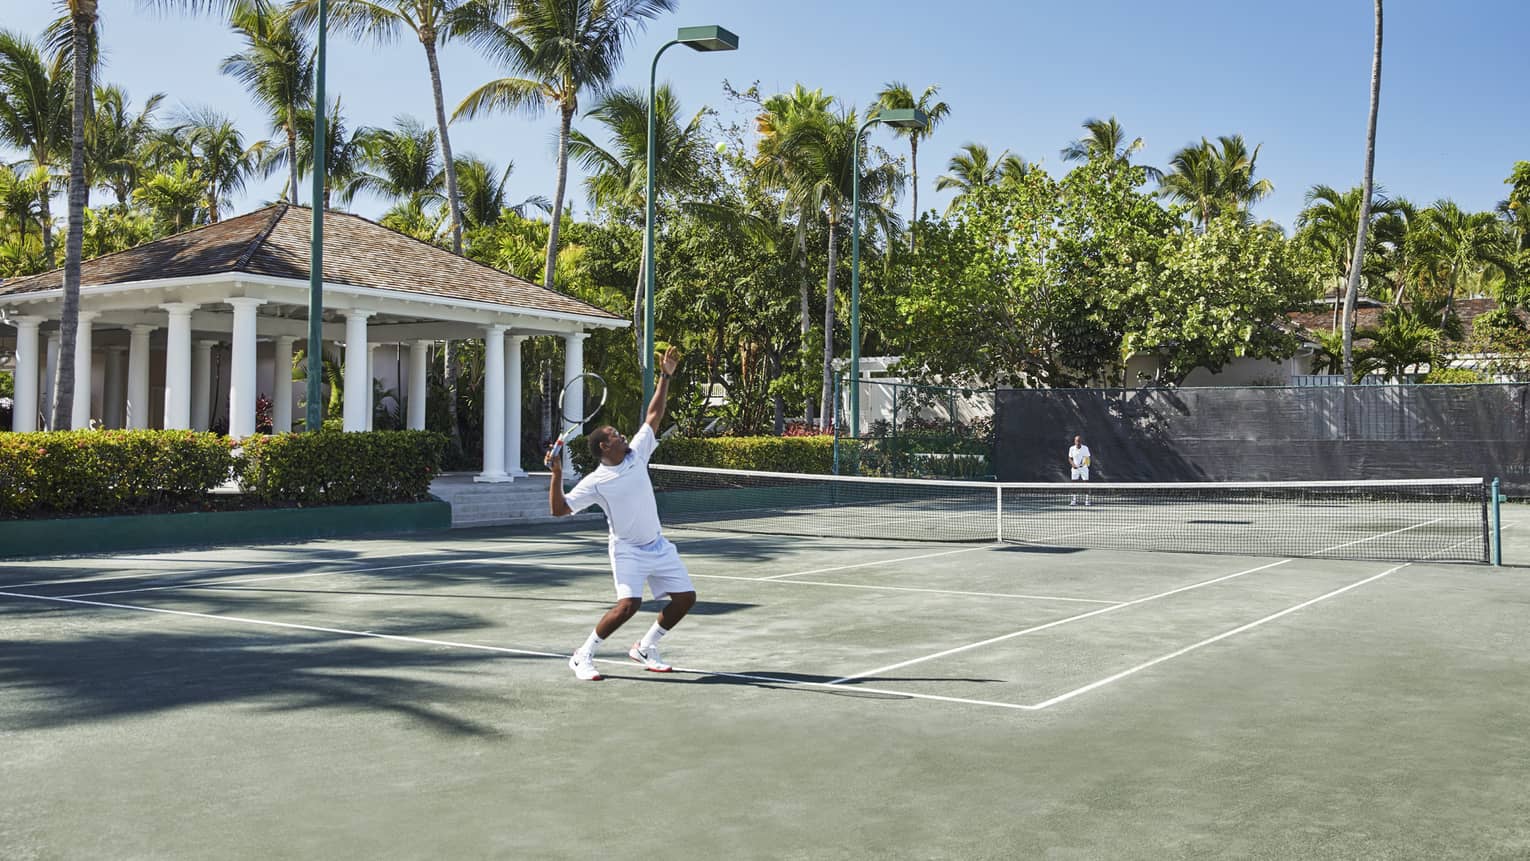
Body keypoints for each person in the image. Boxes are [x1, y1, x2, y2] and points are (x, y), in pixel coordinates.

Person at [546, 346, 695, 682]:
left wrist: (665, 375)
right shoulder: (597, 481)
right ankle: (583, 655)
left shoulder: (636, 453)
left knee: (685, 598)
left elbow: (653, 416)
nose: (623, 435)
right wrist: (556, 475)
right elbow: (559, 510)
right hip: (627, 549)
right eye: (615, 435)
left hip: (657, 544)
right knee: (629, 605)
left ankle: (645, 647)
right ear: (603, 447)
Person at [1067, 434, 1091, 506]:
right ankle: (1074, 500)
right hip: (1074, 469)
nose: (1078, 442)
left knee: (1086, 484)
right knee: (1074, 484)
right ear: (1074, 441)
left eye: (1079, 441)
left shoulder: (1085, 448)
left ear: (1081, 441)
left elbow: (1088, 458)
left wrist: (1085, 465)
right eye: (1077, 441)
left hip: (1084, 469)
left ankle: (1087, 501)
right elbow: (1070, 458)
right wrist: (1073, 465)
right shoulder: (1071, 448)